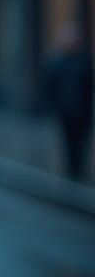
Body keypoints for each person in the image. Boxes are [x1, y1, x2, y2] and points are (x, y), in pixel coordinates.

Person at [42, 21, 93, 180]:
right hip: (65, 109)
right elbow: (49, 84)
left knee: (81, 140)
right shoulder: (58, 61)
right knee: (68, 140)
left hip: (83, 109)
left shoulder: (85, 60)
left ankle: (78, 168)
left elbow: (89, 83)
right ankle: (72, 169)